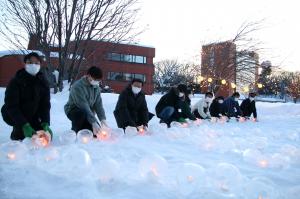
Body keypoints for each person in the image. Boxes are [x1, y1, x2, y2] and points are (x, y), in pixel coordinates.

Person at [1, 52, 52, 141]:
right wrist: (24, 124)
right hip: (17, 115)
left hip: (34, 116)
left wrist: (45, 122)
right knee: (20, 139)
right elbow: (12, 106)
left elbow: (45, 105)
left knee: (41, 138)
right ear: (25, 64)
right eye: (30, 62)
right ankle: (18, 129)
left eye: (36, 63)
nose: (33, 65)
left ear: (40, 65)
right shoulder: (16, 82)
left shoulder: (43, 83)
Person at [64, 66, 107, 135]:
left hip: (88, 113)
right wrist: (93, 122)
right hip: (74, 111)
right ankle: (75, 131)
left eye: (98, 80)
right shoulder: (77, 86)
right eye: (95, 79)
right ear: (89, 76)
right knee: (81, 114)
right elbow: (83, 106)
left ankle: (85, 127)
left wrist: (103, 120)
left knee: (96, 133)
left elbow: (98, 105)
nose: (97, 82)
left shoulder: (97, 88)